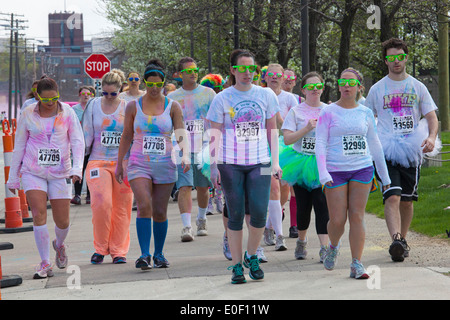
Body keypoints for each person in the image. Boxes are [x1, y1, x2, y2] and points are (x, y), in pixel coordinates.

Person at [207, 49, 282, 284]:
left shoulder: (266, 95)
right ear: (233, 70)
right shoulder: (222, 98)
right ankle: (237, 265)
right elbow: (214, 134)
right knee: (236, 214)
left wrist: (276, 161)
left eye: (252, 69)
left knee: (260, 212)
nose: (247, 73)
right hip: (230, 162)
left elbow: (272, 130)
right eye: (242, 68)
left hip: (259, 160)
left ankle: (253, 256)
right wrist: (213, 167)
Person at [364, 38, 439, 262]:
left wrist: (432, 137)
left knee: (407, 200)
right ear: (386, 60)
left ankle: (402, 241)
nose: (396, 61)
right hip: (385, 149)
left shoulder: (418, 87)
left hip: (411, 148)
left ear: (405, 57)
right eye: (391, 58)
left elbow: (431, 116)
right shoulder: (377, 89)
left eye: (399, 57)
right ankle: (395, 238)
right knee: (393, 196)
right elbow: (366, 118)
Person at [315, 68, 391, 279]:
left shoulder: (365, 112)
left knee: (357, 215)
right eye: (342, 82)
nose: (346, 86)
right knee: (338, 219)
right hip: (335, 170)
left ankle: (356, 263)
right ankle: (333, 245)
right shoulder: (328, 112)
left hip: (362, 168)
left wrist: (385, 178)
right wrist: (323, 172)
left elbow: (374, 144)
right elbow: (320, 143)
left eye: (351, 82)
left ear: (359, 86)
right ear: (338, 86)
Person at [115, 59, 190, 269]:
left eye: (159, 84)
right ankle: (144, 254)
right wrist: (119, 163)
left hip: (166, 163)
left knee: (159, 211)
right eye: (151, 84)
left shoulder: (172, 106)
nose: (155, 88)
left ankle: (159, 253)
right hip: (139, 163)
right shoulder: (133, 106)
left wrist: (185, 155)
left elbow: (180, 132)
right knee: (144, 205)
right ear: (144, 82)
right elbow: (127, 135)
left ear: (164, 83)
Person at [7, 77, 84, 279]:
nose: (51, 102)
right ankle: (45, 262)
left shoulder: (67, 112)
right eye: (46, 99)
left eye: (55, 98)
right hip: (33, 171)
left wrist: (77, 169)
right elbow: (20, 145)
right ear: (38, 96)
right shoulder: (28, 113)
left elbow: (77, 141)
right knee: (39, 215)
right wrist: (13, 178)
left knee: (63, 221)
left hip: (60, 173)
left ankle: (59, 245)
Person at [82, 69, 133, 265]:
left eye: (113, 93)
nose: (109, 97)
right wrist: (77, 161)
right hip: (97, 161)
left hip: (123, 162)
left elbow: (133, 134)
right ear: (100, 91)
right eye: (105, 93)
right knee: (102, 204)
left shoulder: (128, 106)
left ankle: (119, 250)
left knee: (121, 208)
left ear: (120, 90)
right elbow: (86, 134)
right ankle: (100, 248)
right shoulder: (93, 105)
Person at [280, 71, 329, 261]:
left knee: (321, 204)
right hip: (300, 162)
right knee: (303, 206)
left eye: (318, 87)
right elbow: (287, 138)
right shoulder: (296, 111)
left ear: (322, 89)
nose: (315, 90)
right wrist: (307, 128)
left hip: (321, 163)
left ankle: (324, 247)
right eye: (310, 87)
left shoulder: (328, 110)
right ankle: (301, 241)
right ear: (303, 90)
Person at [167, 57, 216, 241]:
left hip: (203, 147)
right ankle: (186, 226)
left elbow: (215, 120)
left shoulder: (209, 93)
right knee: (184, 186)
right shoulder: (172, 98)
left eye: (195, 70)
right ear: (180, 75)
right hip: (181, 147)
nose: (193, 74)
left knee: (203, 188)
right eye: (188, 71)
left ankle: (201, 219)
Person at [264, 63, 298, 251]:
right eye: (271, 75)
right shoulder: (260, 95)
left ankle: (269, 224)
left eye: (279, 75)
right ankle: (278, 235)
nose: (275, 78)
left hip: (286, 146)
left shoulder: (290, 98)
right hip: (265, 147)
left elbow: (294, 120)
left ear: (284, 78)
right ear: (266, 77)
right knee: (274, 188)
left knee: (284, 189)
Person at [71, 86, 95, 205]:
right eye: (83, 93)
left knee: (91, 170)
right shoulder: (74, 109)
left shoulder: (94, 108)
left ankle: (90, 195)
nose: (86, 95)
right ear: (79, 94)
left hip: (92, 144)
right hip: (79, 144)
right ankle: (77, 195)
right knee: (79, 169)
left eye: (88, 93)